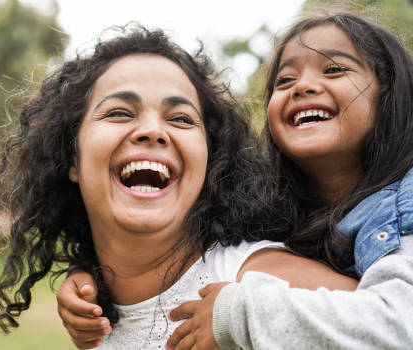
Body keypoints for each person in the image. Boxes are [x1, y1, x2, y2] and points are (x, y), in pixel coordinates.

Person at [0, 26, 356, 350]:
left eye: (182, 118)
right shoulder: (94, 311)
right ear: (72, 158)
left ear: (210, 159)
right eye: (120, 112)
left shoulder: (254, 281)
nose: (153, 130)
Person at [58, 12, 413, 350]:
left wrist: (239, 314)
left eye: (181, 118)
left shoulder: (400, 208)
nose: (303, 86)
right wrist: (91, 273)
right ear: (71, 157)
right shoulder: (291, 219)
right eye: (284, 80)